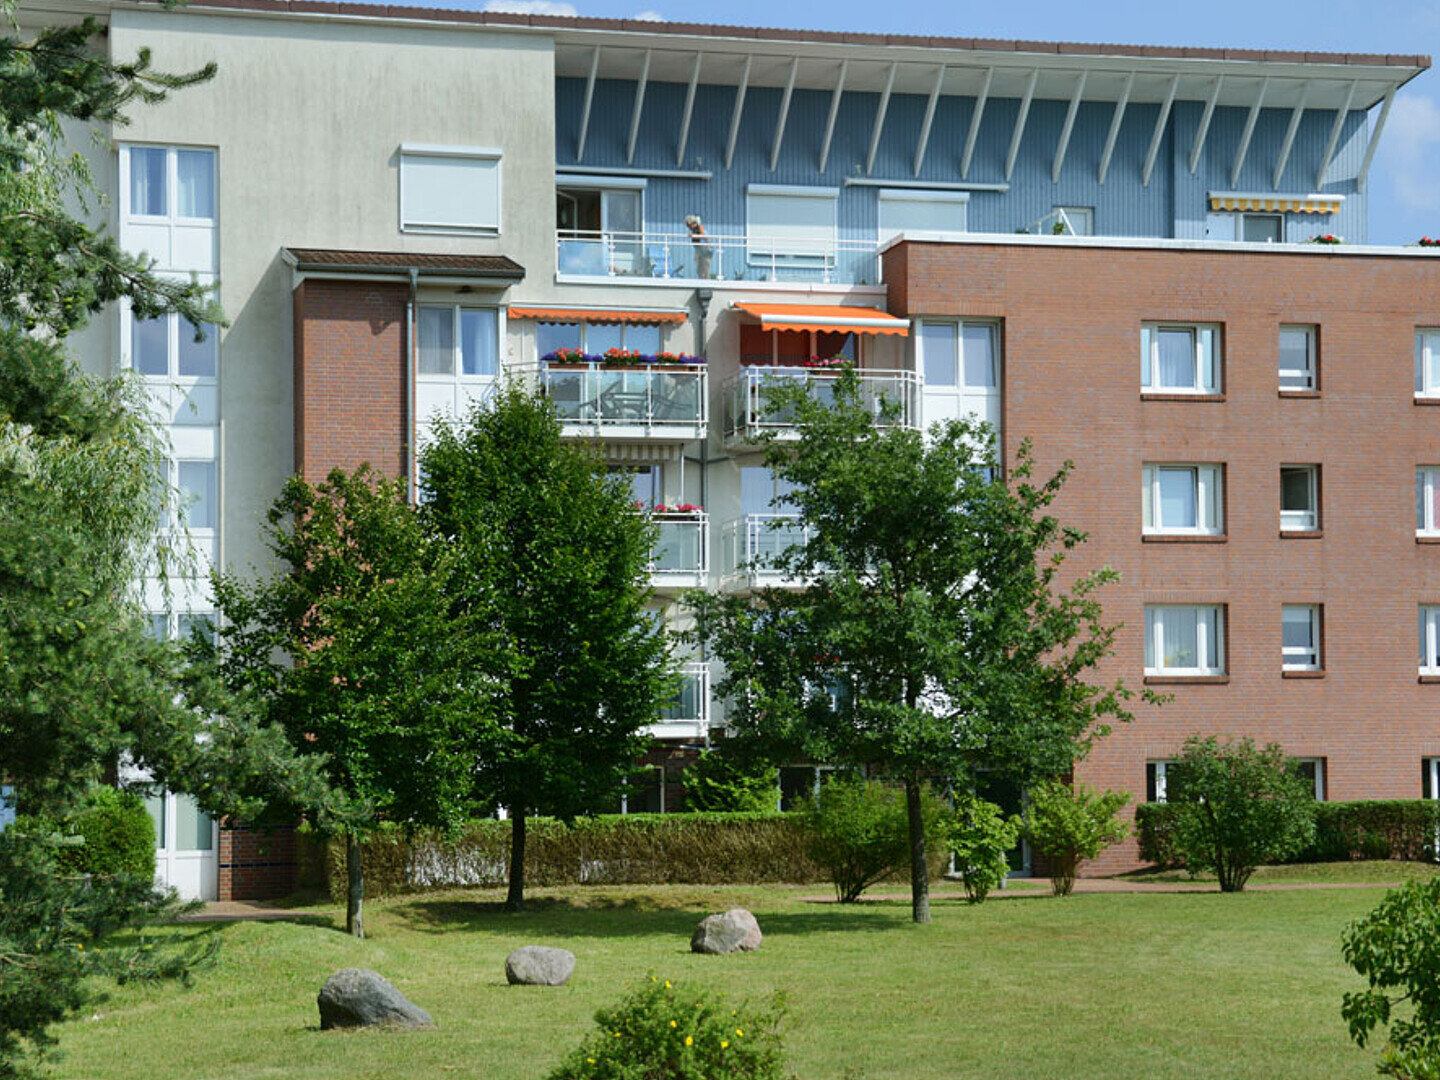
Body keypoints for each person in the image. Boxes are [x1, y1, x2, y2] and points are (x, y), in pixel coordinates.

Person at [685, 215, 713, 279]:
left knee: (705, 269)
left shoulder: (699, 228)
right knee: (699, 270)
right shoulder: (695, 230)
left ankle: (706, 284)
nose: (688, 227)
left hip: (705, 252)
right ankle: (701, 283)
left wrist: (694, 235)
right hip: (700, 251)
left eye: (688, 225)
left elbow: (704, 236)